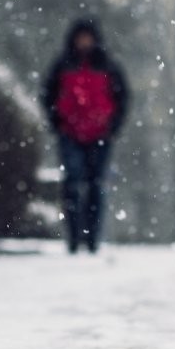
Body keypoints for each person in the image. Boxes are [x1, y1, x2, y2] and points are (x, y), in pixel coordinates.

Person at [42, 19, 130, 254]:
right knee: (72, 184)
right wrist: (58, 123)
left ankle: (92, 240)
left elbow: (122, 98)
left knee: (95, 186)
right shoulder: (62, 65)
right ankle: (73, 238)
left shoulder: (108, 66)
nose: (84, 42)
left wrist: (113, 126)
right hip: (70, 133)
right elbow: (48, 95)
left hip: (100, 134)